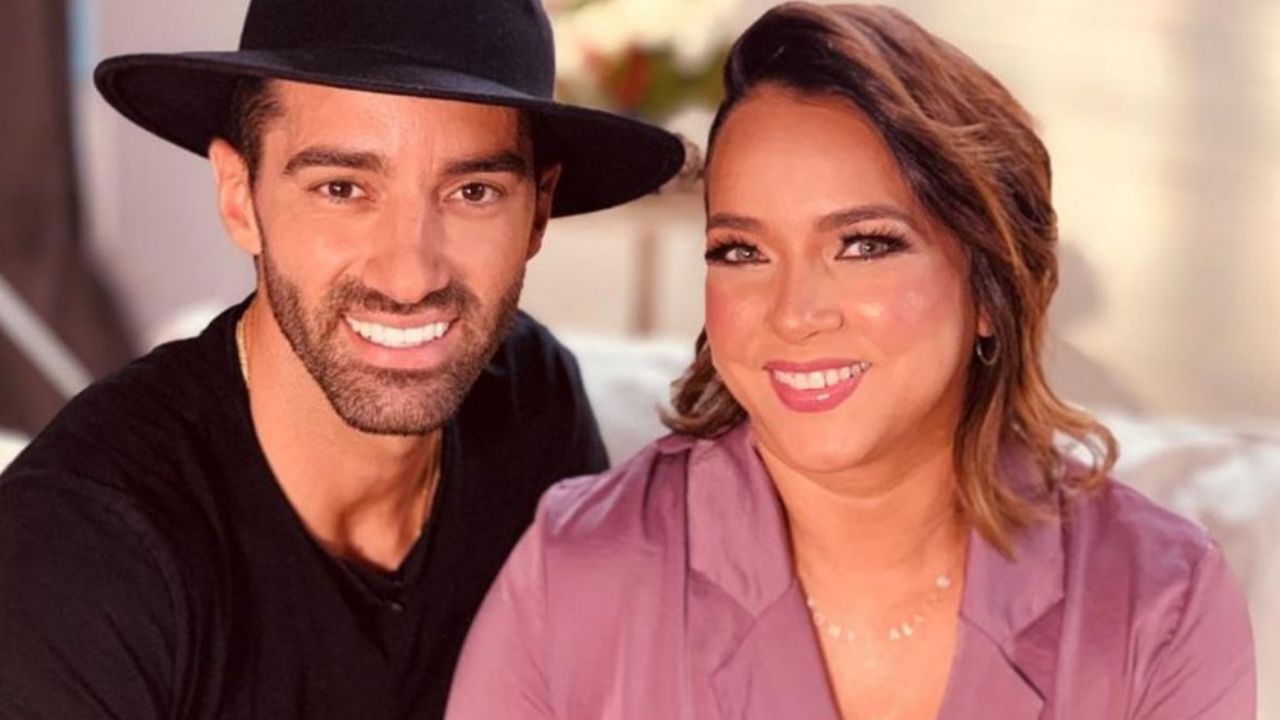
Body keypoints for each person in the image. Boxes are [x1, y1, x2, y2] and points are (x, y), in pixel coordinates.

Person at [445, 4, 1256, 719]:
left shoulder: (1157, 602)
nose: (795, 313)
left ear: (987, 284)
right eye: (742, 251)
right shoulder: (577, 574)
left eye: (864, 244)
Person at [0, 0, 684, 717]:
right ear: (239, 198)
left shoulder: (532, 401)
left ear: (537, 212)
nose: (409, 276)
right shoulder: (78, 550)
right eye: (342, 188)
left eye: (473, 192)